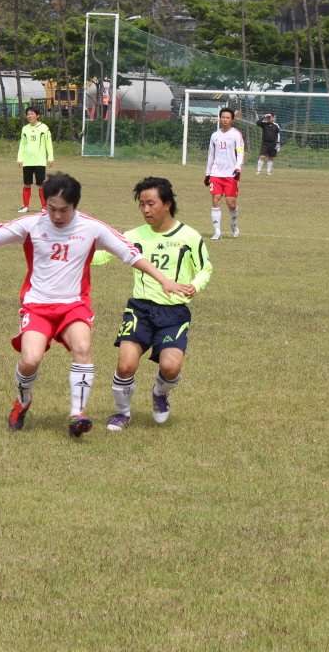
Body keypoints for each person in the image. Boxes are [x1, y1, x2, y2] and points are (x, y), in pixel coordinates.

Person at [0, 172, 186, 437]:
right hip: (37, 305)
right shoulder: (32, 224)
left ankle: (78, 414)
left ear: (75, 205)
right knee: (30, 360)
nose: (57, 215)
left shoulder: (91, 227)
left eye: (64, 209)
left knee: (83, 347)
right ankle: (23, 400)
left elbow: (129, 253)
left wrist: (164, 280)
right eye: (52, 208)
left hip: (74, 305)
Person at [91, 177, 209, 431]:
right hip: (140, 309)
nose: (146, 210)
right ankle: (122, 413)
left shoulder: (189, 237)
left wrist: (195, 286)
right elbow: (101, 256)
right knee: (125, 365)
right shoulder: (133, 236)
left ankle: (160, 393)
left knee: (170, 366)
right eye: (142, 205)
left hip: (174, 313)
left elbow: (205, 269)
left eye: (151, 204)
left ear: (167, 204)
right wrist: (74, 252)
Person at [204, 107, 244, 240]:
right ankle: (217, 231)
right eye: (223, 117)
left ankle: (233, 221)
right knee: (216, 200)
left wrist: (238, 168)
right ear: (220, 118)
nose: (225, 120)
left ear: (232, 119)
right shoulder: (214, 135)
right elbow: (211, 155)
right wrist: (208, 173)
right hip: (216, 174)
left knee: (231, 203)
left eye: (228, 117)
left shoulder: (236, 134)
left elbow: (240, 152)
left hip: (231, 174)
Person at [16, 105, 53, 213]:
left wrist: (50, 157)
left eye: (32, 114)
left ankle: (44, 207)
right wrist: (20, 158)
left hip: (39, 161)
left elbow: (48, 144)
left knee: (41, 185)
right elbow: (22, 145)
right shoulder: (25, 129)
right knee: (27, 183)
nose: (30, 116)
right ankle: (26, 206)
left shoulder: (44, 128)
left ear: (37, 115)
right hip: (27, 161)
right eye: (28, 114)